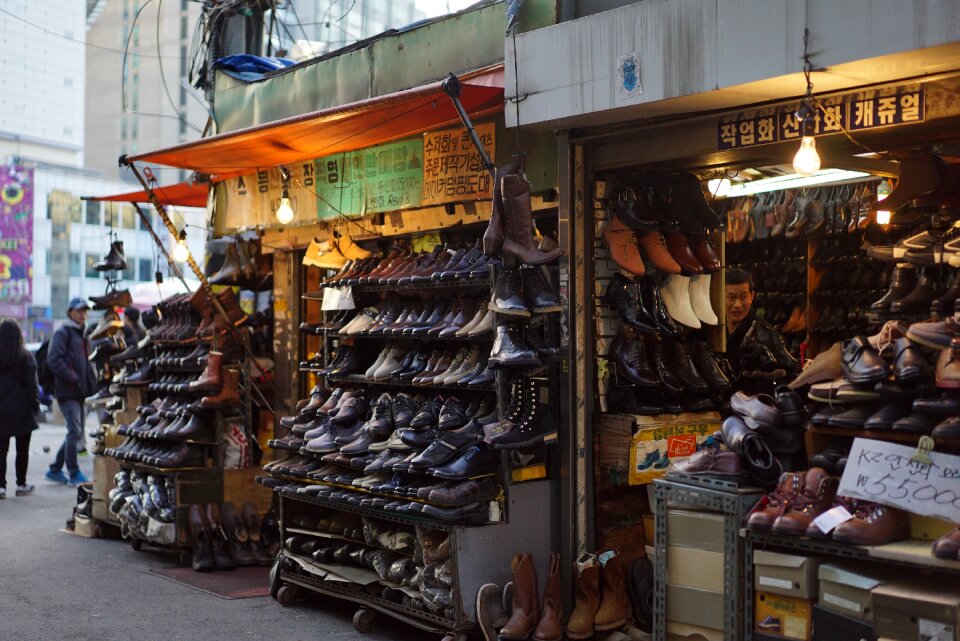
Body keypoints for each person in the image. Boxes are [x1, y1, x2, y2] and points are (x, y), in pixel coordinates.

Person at [44, 298, 97, 486]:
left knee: (75, 432)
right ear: (70, 312)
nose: (83, 314)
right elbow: (54, 359)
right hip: (68, 391)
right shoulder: (63, 332)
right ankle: (73, 472)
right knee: (75, 431)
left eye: (85, 311)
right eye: (79, 311)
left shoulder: (82, 333)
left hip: (80, 391)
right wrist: (73, 378)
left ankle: (55, 469)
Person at [725, 268, 799, 378]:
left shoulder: (767, 334)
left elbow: (790, 372)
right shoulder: (713, 329)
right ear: (721, 296)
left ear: (752, 296)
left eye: (743, 297)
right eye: (732, 297)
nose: (738, 304)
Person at [0, 320, 40, 499]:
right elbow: (32, 386)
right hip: (21, 408)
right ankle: (21, 483)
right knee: (22, 449)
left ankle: (0, 486)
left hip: (1, 410)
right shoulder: (25, 358)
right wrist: (35, 405)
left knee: (1, 450)